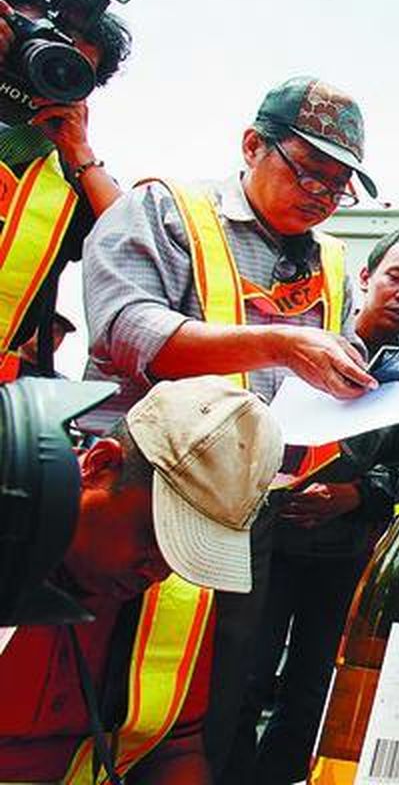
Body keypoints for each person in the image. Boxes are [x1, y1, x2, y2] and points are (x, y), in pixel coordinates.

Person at [80, 75, 379, 779]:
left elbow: (312, 372)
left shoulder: (333, 260)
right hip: (130, 499)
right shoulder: (163, 210)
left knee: (214, 705)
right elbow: (127, 329)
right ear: (252, 145)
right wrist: (277, 344)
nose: (321, 195)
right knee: (87, 691)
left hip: (245, 516)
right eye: (310, 171)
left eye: (339, 187)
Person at [239, 227, 399, 784]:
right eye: (396, 277)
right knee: (248, 675)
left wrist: (355, 496)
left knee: (312, 690)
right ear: (366, 276)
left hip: (344, 556)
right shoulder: (306, 340)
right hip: (266, 543)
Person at [0, 376, 284, 783]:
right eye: (155, 535)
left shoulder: (177, 599)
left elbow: (174, 747)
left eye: (187, 551)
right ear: (99, 466)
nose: (161, 571)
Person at [0, 0, 129, 382]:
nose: (42, 72)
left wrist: (80, 153)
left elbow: (138, 247)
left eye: (66, 68)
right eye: (30, 49)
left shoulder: (69, 181)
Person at [15, 310, 74, 378]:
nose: (50, 336)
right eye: (44, 327)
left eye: (57, 332)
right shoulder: (4, 367)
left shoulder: (60, 383)